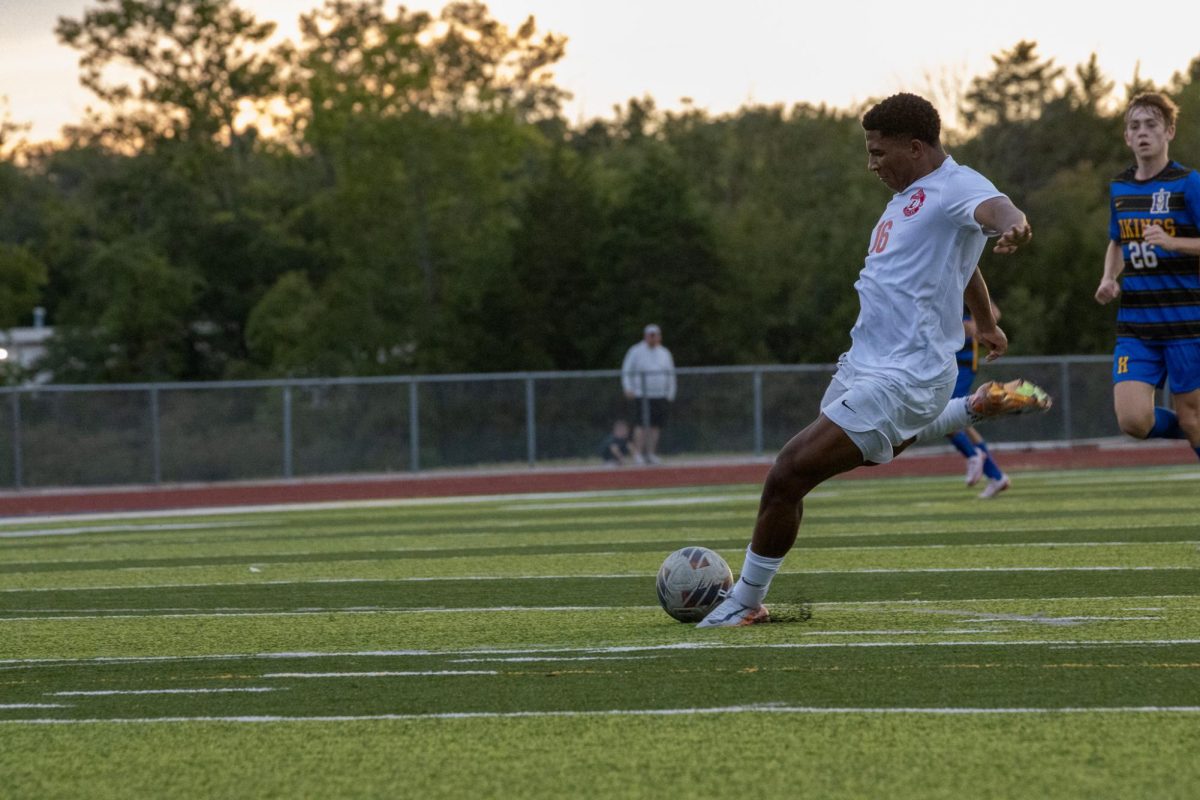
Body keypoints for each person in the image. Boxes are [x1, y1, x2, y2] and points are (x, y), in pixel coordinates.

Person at [698, 92, 1049, 628]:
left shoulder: (956, 184)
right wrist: (985, 322)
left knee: (787, 474)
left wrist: (1015, 223)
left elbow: (996, 210)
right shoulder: (910, 197)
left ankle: (744, 603)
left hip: (907, 373)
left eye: (879, 152)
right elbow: (966, 264)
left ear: (915, 146)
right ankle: (971, 409)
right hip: (864, 362)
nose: (872, 164)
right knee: (863, 455)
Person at [1094, 92, 1200, 461]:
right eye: (1135, 126)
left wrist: (1174, 242)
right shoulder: (1120, 188)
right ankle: (1192, 427)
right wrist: (1109, 278)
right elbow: (1117, 241)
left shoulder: (1188, 183)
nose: (1143, 132)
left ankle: (1193, 425)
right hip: (1136, 325)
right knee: (1133, 421)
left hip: (1186, 323)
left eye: (1151, 124)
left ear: (1169, 131)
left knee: (1192, 416)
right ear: (1126, 136)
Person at [948, 305, 1011, 499]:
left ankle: (973, 454)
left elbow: (994, 312)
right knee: (958, 420)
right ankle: (996, 476)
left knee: (944, 414)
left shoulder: (963, 277)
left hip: (963, 361)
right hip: (947, 359)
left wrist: (972, 326)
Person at [620, 324, 677, 464]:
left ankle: (651, 453)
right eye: (650, 335)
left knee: (655, 425)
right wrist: (628, 387)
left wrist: (670, 392)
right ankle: (638, 454)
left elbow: (671, 373)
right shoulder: (635, 351)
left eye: (655, 335)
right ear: (645, 336)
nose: (653, 338)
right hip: (642, 394)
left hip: (659, 394)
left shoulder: (664, 352)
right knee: (641, 424)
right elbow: (627, 370)